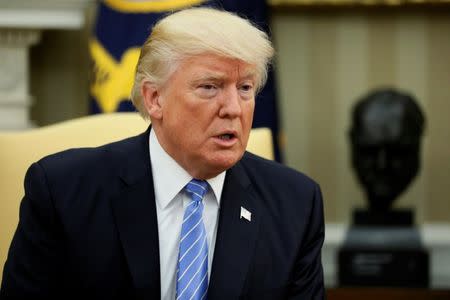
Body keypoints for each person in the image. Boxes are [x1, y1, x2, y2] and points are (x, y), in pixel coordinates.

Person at [0, 7, 325, 299]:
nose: (233, 109)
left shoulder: (295, 204)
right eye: (210, 87)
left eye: (245, 89)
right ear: (155, 99)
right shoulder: (65, 193)